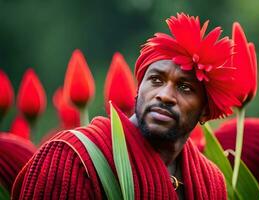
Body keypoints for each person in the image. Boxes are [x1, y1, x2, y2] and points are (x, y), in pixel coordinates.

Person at [12, 13, 240, 199]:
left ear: (205, 111)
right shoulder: (72, 157)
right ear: (138, 89)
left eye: (185, 88)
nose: (164, 95)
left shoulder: (211, 183)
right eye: (156, 80)